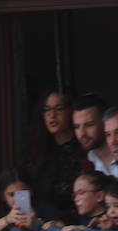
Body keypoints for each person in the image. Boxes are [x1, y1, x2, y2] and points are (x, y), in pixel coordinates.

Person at [25, 87, 85, 220]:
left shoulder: (83, 147)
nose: (52, 115)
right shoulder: (40, 149)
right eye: (47, 109)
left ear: (70, 112)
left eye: (59, 109)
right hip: (45, 224)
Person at [72, 94, 114, 178]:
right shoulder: (86, 164)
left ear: (105, 123)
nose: (82, 133)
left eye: (89, 125)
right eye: (77, 127)